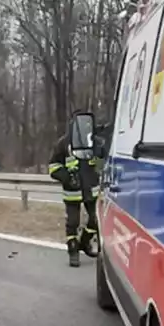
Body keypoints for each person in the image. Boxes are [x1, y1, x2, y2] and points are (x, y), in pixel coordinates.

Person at [48, 112, 105, 267]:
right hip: (72, 191)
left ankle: (85, 242)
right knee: (73, 222)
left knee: (95, 219)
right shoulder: (63, 144)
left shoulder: (97, 143)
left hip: (91, 190)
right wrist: (67, 177)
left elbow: (102, 163)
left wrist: (100, 173)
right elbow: (53, 167)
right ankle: (73, 250)